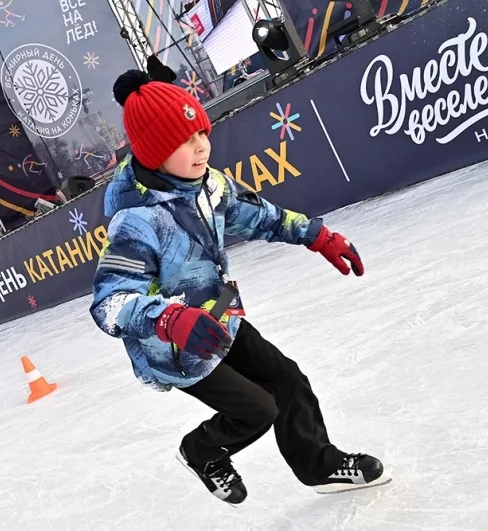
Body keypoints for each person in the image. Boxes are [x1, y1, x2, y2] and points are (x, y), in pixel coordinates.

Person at [90, 70, 389, 505]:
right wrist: (168, 318)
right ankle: (201, 450)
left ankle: (320, 465)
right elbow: (109, 302)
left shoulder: (208, 184)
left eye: (200, 132)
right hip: (174, 348)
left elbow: (259, 215)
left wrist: (316, 236)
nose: (199, 147)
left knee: (288, 379)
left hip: (219, 317)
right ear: (154, 152)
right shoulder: (136, 221)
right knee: (257, 409)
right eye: (183, 140)